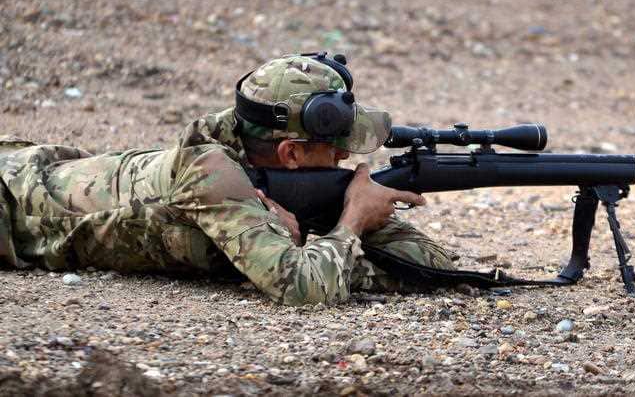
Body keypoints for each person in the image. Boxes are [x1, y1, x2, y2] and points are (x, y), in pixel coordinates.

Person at [0, 52, 456, 305]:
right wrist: (353, 221)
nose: (345, 155)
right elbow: (301, 287)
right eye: (336, 146)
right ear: (291, 154)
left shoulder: (261, 150)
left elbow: (433, 267)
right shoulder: (212, 171)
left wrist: (361, 224)